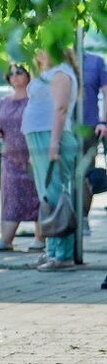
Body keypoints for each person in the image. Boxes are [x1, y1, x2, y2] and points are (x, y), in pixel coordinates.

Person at [22, 46, 80, 271]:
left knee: (55, 197)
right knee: (47, 197)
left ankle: (63, 255)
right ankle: (53, 250)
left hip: (50, 137)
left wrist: (54, 143)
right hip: (40, 137)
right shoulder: (49, 73)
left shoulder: (60, 73)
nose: (39, 53)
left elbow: (61, 108)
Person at [0, 64, 42, 252]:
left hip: (33, 156)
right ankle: (6, 240)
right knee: (11, 197)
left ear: (28, 74)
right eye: (11, 74)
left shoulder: (35, 100)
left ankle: (40, 238)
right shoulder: (5, 101)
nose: (15, 76)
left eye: (19, 72)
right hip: (10, 157)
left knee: (38, 196)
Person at [77, 51, 107, 231]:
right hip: (60, 127)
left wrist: (103, 121)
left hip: (87, 127)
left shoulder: (95, 62)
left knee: (86, 173)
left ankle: (82, 218)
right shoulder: (55, 60)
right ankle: (60, 218)